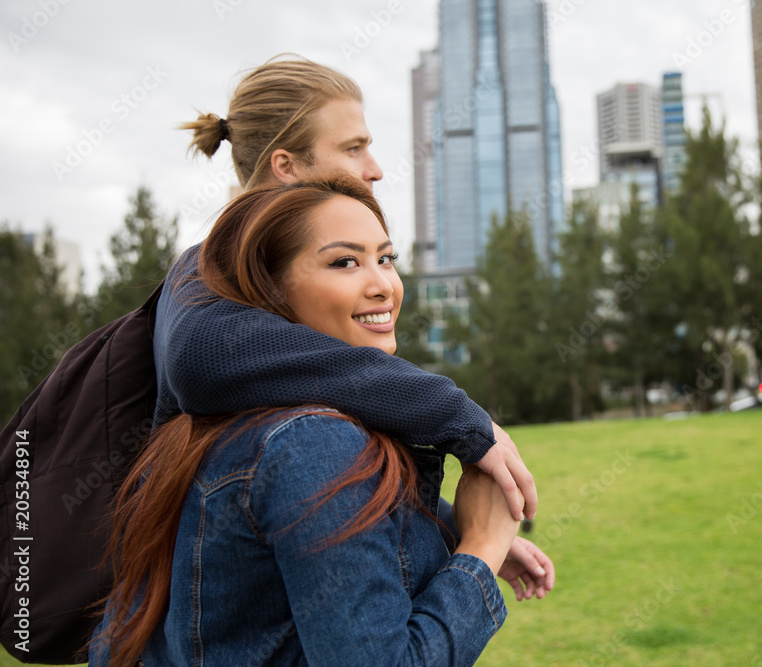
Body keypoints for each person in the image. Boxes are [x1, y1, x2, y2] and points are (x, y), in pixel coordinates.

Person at [162, 55, 553, 601]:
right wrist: (454, 414)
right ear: (286, 166)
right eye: (353, 148)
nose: (375, 168)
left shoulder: (269, 292)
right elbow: (201, 359)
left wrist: (448, 526)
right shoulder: (206, 275)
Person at [90, 176, 522, 666]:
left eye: (386, 258)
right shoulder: (315, 443)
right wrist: (481, 550)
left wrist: (447, 528)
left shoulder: (203, 430)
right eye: (344, 262)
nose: (382, 285)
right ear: (271, 290)